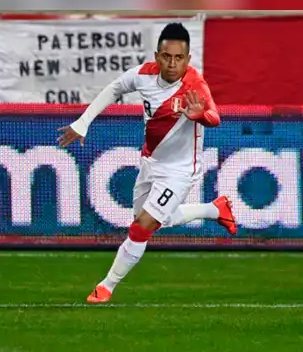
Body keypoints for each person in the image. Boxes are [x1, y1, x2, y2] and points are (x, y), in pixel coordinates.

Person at [57, 23, 237, 304]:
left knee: (142, 226)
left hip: (180, 171)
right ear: (157, 55)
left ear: (188, 59)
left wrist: (200, 115)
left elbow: (215, 117)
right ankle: (214, 209)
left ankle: (106, 286)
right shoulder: (143, 75)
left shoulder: (195, 86)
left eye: (179, 58)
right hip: (150, 162)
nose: (172, 63)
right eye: (167, 57)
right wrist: (83, 123)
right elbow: (114, 88)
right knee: (153, 221)